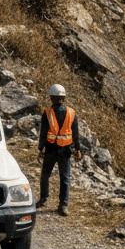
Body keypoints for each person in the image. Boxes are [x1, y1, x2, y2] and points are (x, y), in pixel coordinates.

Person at [37, 83, 82, 216]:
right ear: (64, 97)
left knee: (45, 175)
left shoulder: (47, 113)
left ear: (51, 98)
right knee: (65, 178)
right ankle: (63, 206)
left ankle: (43, 199)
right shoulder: (71, 113)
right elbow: (76, 134)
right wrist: (78, 149)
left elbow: (43, 133)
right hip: (66, 151)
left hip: (51, 149)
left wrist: (40, 149)